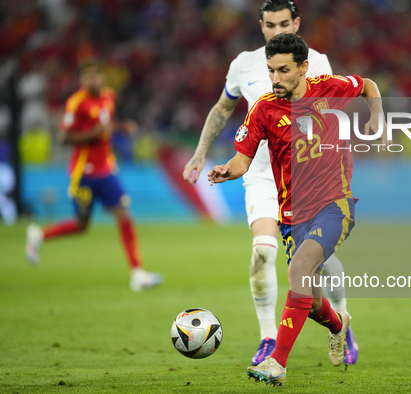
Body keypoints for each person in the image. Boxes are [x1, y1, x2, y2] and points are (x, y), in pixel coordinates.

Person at [182, 0, 358, 365]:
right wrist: (201, 154)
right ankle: (268, 339)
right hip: (259, 175)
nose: (277, 31)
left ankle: (341, 323)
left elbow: (332, 105)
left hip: (305, 180)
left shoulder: (316, 60)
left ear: (296, 23)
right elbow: (222, 108)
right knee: (263, 251)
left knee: (318, 266)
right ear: (260, 25)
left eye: (283, 24)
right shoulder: (244, 65)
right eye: (269, 25)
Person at [207, 33, 385, 386]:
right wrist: (228, 170)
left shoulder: (329, 88)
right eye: (271, 70)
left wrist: (375, 120)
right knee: (312, 299)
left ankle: (277, 362)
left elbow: (368, 85)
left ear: (303, 68)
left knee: (300, 269)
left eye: (283, 70)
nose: (275, 79)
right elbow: (242, 161)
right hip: (292, 216)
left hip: (335, 205)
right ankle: (339, 324)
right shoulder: (263, 109)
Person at [25, 59, 162, 292]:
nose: (92, 80)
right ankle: (40, 234)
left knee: (124, 214)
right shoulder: (75, 103)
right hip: (84, 171)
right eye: (87, 76)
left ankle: (137, 273)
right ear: (81, 80)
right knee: (81, 225)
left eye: (95, 75)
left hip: (106, 168)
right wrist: (93, 133)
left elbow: (105, 126)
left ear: (102, 77)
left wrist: (120, 127)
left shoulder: (109, 96)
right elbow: (64, 138)